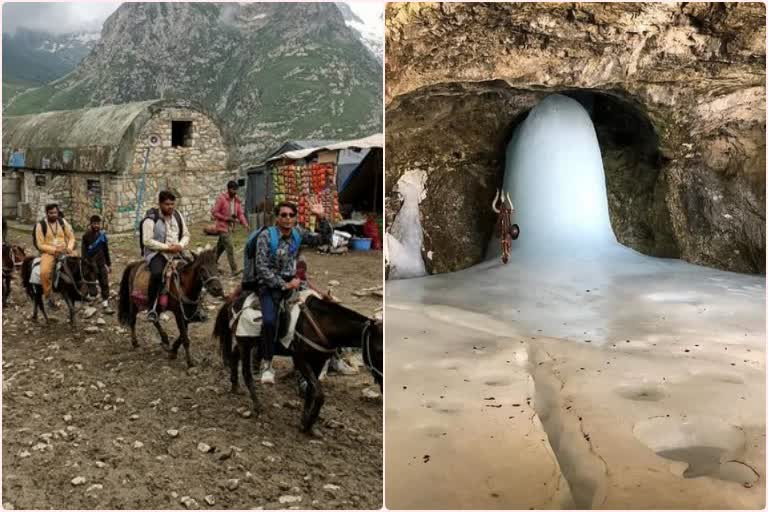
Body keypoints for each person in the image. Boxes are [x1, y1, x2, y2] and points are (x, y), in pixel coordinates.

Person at [241, 197, 331, 384]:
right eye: (283, 215)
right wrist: (283, 285)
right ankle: (266, 362)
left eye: (291, 215)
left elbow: (324, 240)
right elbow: (261, 267)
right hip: (270, 284)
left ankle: (330, 357)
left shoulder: (298, 233)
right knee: (269, 321)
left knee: (323, 310)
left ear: (295, 218)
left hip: (295, 282)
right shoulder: (267, 236)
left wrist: (321, 217)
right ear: (277, 218)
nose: (287, 218)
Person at [141, 190, 190, 322]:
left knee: (193, 269)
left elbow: (186, 234)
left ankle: (193, 304)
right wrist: (168, 248)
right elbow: (147, 241)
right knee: (157, 274)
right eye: (167, 204)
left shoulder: (178, 216)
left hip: (177, 251)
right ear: (160, 204)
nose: (171, 207)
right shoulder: (151, 219)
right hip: (157, 253)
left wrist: (180, 245)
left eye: (172, 204)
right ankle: (152, 308)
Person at [35, 203, 76, 309]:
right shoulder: (40, 225)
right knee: (44, 272)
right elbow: (40, 244)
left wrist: (70, 248)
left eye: (55, 212)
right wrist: (54, 250)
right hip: (49, 253)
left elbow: (71, 237)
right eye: (51, 213)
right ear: (47, 213)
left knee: (79, 265)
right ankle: (48, 296)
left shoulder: (63, 222)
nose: (54, 215)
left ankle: (80, 290)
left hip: (65, 250)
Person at [210, 180, 249, 276]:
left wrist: (245, 224)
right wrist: (226, 218)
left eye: (236, 190)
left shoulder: (236, 200)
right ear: (228, 189)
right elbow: (215, 212)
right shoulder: (221, 199)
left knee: (220, 247)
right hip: (222, 227)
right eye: (233, 189)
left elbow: (240, 214)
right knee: (229, 247)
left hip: (230, 228)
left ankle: (211, 263)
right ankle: (234, 269)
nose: (235, 192)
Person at [82, 215, 113, 314]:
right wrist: (87, 264)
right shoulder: (86, 236)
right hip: (90, 264)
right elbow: (84, 253)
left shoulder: (102, 236)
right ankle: (92, 298)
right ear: (91, 224)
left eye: (98, 224)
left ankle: (105, 303)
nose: (96, 226)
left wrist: (108, 264)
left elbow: (106, 250)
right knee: (92, 286)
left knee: (104, 283)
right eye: (94, 224)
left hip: (101, 263)